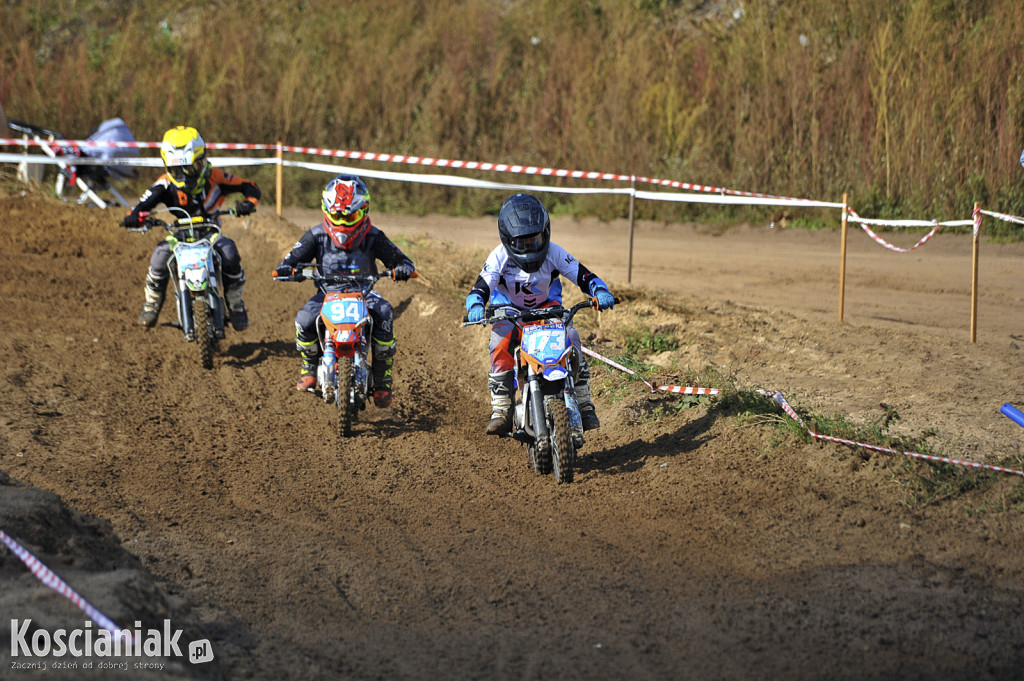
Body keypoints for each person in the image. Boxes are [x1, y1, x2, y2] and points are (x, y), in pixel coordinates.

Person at [464, 193, 615, 435]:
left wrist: (599, 289)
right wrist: (475, 306)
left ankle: (584, 402)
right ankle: (502, 408)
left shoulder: (555, 252)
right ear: (507, 239)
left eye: (534, 240)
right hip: (508, 312)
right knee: (499, 343)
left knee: (572, 337)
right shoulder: (499, 257)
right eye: (521, 243)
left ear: (545, 233)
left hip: (548, 308)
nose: (529, 247)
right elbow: (480, 287)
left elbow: (582, 275)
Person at [274, 174, 415, 406]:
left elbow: (402, 260)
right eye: (338, 215)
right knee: (304, 320)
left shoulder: (373, 236)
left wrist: (401, 269)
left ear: (364, 211)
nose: (344, 221)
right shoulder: (317, 235)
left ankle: (382, 379)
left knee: (385, 314)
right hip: (327, 292)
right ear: (327, 209)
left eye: (350, 216)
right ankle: (309, 364)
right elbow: (290, 260)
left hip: (365, 292)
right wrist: (288, 270)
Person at [120, 125, 260, 330]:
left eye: (190, 168)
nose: (185, 175)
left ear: (202, 161)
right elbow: (141, 205)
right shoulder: (165, 183)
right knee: (159, 257)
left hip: (210, 232)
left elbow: (250, 186)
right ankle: (152, 304)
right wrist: (134, 217)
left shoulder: (215, 176)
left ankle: (235, 304)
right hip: (178, 235)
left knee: (229, 253)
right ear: (168, 167)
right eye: (178, 170)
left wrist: (248, 203)